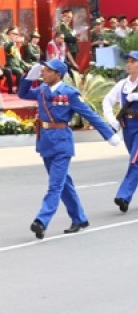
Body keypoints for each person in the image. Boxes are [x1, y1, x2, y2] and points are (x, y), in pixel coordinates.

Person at [19, 59, 121, 239]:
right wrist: (29, 77)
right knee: (64, 183)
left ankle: (41, 221)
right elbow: (23, 93)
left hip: (61, 143)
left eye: (48, 70)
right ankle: (79, 218)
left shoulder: (69, 93)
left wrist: (109, 135)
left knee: (55, 185)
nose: (44, 72)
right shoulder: (42, 90)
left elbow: (90, 115)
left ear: (58, 74)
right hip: (45, 142)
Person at [102, 51, 138, 213]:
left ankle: (124, 195)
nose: (129, 64)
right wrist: (111, 119)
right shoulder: (122, 84)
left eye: (133, 61)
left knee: (135, 159)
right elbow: (107, 101)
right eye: (127, 61)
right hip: (128, 125)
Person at [2, 27, 26, 93]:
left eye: (17, 34)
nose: (16, 36)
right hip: (10, 65)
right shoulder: (7, 43)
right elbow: (7, 49)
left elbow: (18, 57)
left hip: (17, 65)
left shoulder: (15, 45)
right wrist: (12, 42)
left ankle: (21, 88)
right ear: (9, 34)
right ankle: (15, 89)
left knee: (27, 68)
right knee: (19, 71)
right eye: (14, 34)